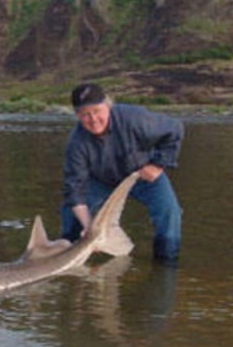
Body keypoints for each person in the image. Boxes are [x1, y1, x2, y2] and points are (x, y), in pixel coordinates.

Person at [60, 83, 184, 264]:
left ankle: (166, 264)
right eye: (85, 114)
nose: (93, 119)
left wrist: (158, 164)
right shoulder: (76, 143)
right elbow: (75, 190)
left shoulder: (135, 119)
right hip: (100, 181)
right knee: (72, 218)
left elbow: (175, 129)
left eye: (97, 111)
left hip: (142, 175)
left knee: (169, 212)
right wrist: (89, 228)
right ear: (77, 116)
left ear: (108, 106)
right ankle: (67, 261)